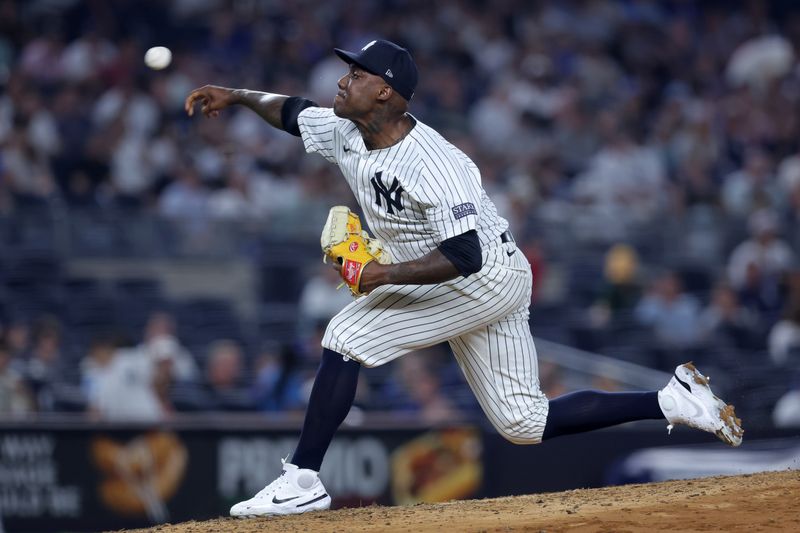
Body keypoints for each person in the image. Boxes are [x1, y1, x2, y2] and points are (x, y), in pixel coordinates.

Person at [185, 39, 743, 518]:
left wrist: (381, 274)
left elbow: (464, 254)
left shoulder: (435, 163)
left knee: (345, 337)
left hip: (480, 279)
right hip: (471, 277)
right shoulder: (346, 129)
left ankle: (302, 480)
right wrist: (235, 96)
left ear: (385, 92)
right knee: (525, 421)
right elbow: (290, 111)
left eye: (357, 75)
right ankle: (673, 399)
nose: (342, 80)